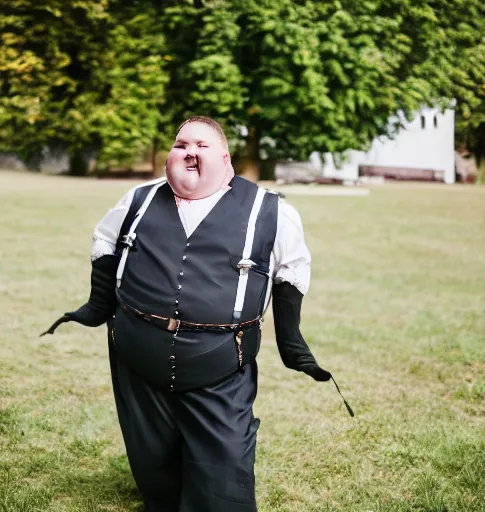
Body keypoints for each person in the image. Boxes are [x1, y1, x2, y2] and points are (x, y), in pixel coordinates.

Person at [42, 116, 349, 512]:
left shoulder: (269, 210)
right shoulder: (139, 198)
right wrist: (98, 303)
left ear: (225, 159)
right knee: (155, 468)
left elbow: (292, 268)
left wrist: (291, 341)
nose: (189, 152)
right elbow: (104, 240)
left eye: (201, 146)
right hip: (138, 361)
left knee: (224, 491)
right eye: (181, 144)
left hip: (219, 368)